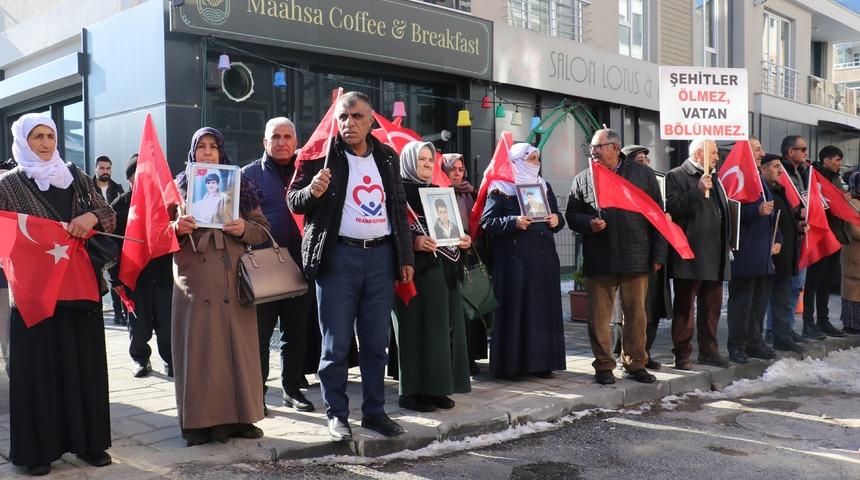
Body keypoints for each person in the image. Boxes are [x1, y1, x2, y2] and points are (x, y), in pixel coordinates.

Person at [287, 91, 414, 441]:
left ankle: (374, 412)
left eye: (356, 116)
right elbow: (293, 201)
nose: (348, 123)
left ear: (371, 120)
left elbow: (399, 211)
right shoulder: (320, 155)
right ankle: (337, 414)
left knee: (376, 342)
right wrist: (312, 190)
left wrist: (405, 257)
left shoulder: (387, 157)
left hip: (381, 259)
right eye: (343, 117)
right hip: (337, 260)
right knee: (336, 344)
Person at [0, 113, 116, 475]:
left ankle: (89, 444)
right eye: (37, 136)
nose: (46, 143)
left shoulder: (76, 175)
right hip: (35, 293)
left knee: (84, 367)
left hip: (81, 288)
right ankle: (37, 452)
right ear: (22, 140)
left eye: (50, 135)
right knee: (38, 371)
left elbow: (108, 213)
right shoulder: (8, 185)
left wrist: (91, 220)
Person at [171, 127, 270, 447]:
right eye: (201, 146)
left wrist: (243, 228)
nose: (208, 152)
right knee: (199, 352)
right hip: (195, 282)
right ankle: (199, 423)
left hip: (233, 280)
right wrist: (176, 226)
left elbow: (262, 231)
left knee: (237, 352)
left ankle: (242, 418)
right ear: (193, 152)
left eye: (214, 146)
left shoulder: (241, 184)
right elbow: (155, 233)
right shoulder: (177, 186)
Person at [567, 130, 666, 384]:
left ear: (614, 147)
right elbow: (572, 214)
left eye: (598, 147)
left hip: (636, 254)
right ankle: (603, 365)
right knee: (599, 316)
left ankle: (635, 363)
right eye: (592, 147)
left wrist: (658, 253)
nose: (593, 152)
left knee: (636, 314)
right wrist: (589, 223)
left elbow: (658, 215)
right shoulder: (583, 178)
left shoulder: (642, 174)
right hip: (600, 256)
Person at [241, 117, 314, 415]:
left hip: (301, 265)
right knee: (258, 337)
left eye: (287, 137)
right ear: (265, 142)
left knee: (295, 334)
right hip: (264, 268)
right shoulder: (247, 175)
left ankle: (292, 389)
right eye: (275, 137)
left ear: (297, 142)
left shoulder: (307, 171)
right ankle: (256, 393)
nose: (282, 142)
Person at [394, 141, 472, 412]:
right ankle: (412, 392)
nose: (427, 165)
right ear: (408, 162)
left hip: (445, 270)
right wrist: (415, 242)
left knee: (442, 330)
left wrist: (463, 238)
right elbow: (392, 229)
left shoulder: (439, 191)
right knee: (416, 331)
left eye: (430, 160)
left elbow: (451, 227)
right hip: (416, 272)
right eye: (421, 160)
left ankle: (438, 388)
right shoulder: (397, 193)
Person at [481, 142, 566, 379]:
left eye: (538, 159)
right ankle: (513, 366)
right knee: (518, 309)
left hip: (544, 258)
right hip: (515, 261)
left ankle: (542, 363)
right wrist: (514, 221)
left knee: (542, 310)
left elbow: (559, 218)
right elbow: (487, 223)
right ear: (517, 161)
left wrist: (556, 220)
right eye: (531, 159)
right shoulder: (501, 187)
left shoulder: (544, 186)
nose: (536, 164)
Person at [666, 139, 732, 370]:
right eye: (713, 153)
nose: (717, 157)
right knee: (685, 306)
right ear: (698, 153)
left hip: (716, 252)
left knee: (712, 307)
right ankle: (682, 354)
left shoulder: (715, 177)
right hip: (691, 253)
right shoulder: (676, 175)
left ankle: (709, 351)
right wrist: (697, 191)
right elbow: (673, 207)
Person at [108, 157, 174, 378]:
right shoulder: (119, 206)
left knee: (168, 324)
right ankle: (140, 359)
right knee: (139, 325)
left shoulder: (167, 204)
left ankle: (171, 360)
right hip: (134, 277)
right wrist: (114, 279)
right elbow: (110, 245)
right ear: (129, 180)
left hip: (165, 275)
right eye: (138, 178)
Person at [614, 144, 672, 370]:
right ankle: (623, 352)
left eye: (647, 160)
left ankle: (644, 352)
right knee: (630, 309)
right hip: (630, 257)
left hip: (651, 256)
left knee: (652, 308)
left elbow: (658, 219)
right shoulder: (622, 185)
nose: (646, 165)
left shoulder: (654, 183)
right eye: (639, 160)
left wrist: (659, 254)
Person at [726, 160, 780, 364]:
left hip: (764, 254)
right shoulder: (738, 176)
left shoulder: (760, 180)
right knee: (741, 303)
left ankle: (754, 342)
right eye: (756, 149)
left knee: (759, 303)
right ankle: (737, 345)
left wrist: (778, 240)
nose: (761, 153)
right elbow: (732, 212)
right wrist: (755, 211)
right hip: (746, 253)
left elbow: (772, 217)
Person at [441, 152, 488, 374]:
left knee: (471, 309)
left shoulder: (471, 193)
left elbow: (479, 224)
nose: (457, 174)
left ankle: (469, 358)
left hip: (470, 256)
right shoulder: (439, 192)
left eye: (461, 169)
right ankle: (453, 358)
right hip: (447, 259)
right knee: (453, 312)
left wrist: (471, 240)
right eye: (453, 169)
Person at [774, 135, 821, 339]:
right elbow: (782, 206)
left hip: (802, 236)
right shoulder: (781, 173)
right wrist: (797, 214)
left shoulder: (803, 171)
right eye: (802, 149)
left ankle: (788, 328)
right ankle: (774, 330)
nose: (805, 152)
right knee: (782, 289)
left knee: (796, 287)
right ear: (790, 151)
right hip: (786, 238)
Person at [802, 145, 849, 338]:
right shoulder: (813, 176)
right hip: (820, 235)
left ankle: (823, 319)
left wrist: (842, 199)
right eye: (837, 160)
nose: (840, 164)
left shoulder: (835, 179)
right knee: (813, 281)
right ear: (827, 160)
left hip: (835, 235)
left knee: (826, 281)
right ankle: (808, 322)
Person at [762, 154, 807, 353]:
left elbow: (783, 219)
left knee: (783, 297)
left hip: (785, 252)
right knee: (762, 299)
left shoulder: (779, 190)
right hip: (769, 254)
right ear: (763, 170)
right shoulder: (763, 191)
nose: (780, 171)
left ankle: (782, 335)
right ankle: (761, 337)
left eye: (780, 167)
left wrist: (798, 225)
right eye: (775, 167)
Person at [93, 155, 127, 326]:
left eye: (108, 168)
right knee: (98, 276)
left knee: (116, 274)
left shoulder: (118, 188)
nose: (105, 171)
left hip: (115, 238)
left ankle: (119, 311)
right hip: (97, 240)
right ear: (96, 169)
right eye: (102, 168)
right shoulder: (88, 189)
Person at [839, 172, 860, 335]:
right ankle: (851, 323)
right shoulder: (852, 203)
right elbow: (853, 230)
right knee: (852, 286)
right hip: (854, 253)